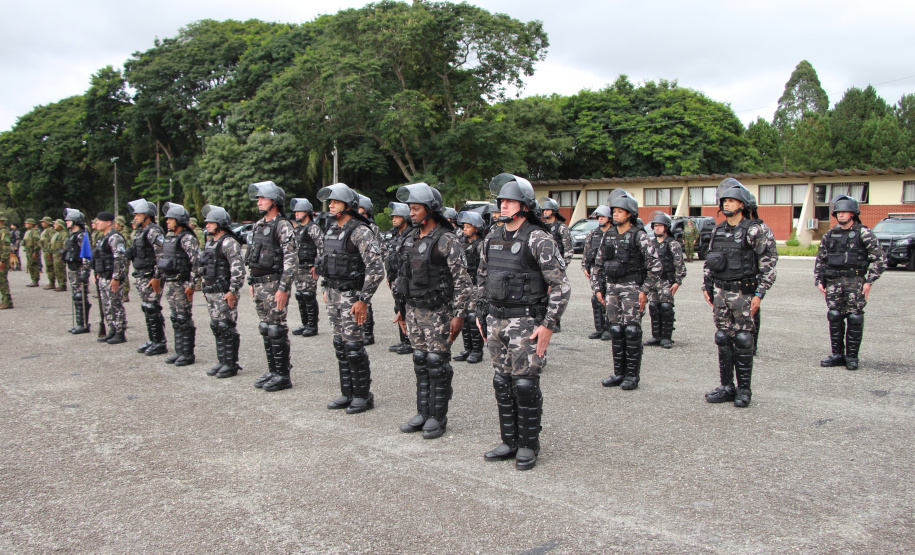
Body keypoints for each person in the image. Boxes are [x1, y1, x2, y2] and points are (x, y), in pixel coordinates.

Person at [477, 173, 570, 471]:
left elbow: (560, 285)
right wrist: (481, 315)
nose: (503, 206)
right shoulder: (491, 237)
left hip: (526, 323)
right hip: (496, 322)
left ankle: (528, 444)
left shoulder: (538, 238)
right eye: (501, 201)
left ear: (525, 205)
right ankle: (510, 440)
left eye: (509, 201)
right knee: (501, 382)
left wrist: (549, 325)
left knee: (525, 384)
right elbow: (481, 278)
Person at [393, 183, 472, 439]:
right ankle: (422, 412)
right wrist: (401, 310)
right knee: (420, 361)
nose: (411, 213)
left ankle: (437, 417)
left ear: (431, 210)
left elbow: (462, 281)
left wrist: (459, 314)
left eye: (415, 208)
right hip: (413, 310)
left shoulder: (446, 239)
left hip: (438, 312)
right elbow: (402, 276)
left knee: (436, 363)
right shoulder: (409, 238)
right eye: (409, 209)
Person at [702, 178, 777, 408]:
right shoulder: (718, 230)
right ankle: (727, 387)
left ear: (742, 204)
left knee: (744, 340)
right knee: (723, 338)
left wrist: (760, 294)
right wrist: (706, 285)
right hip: (722, 293)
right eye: (724, 200)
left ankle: (744, 390)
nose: (726, 204)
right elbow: (711, 259)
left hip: (744, 293)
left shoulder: (756, 230)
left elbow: (769, 263)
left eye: (731, 200)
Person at [315, 183, 384, 412]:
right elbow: (328, 262)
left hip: (352, 296)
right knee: (340, 344)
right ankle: (347, 392)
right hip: (334, 294)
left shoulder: (360, 231)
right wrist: (326, 288)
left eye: (335, 201)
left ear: (348, 204)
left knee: (354, 346)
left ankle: (363, 396)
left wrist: (363, 300)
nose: (330, 204)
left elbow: (376, 269)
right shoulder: (332, 229)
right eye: (330, 201)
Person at [591, 191, 662, 391]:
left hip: (632, 288)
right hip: (612, 288)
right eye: (614, 211)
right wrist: (598, 289)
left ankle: (632, 375)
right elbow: (598, 264)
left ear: (630, 214)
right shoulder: (608, 235)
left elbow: (655, 266)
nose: (615, 215)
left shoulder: (639, 236)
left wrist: (645, 290)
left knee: (631, 330)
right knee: (615, 329)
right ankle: (618, 373)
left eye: (620, 212)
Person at [814, 195, 886, 371]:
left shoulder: (863, 233)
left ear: (853, 213)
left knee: (854, 317)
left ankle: (852, 357)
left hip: (855, 281)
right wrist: (819, 280)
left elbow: (880, 260)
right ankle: (837, 354)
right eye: (838, 212)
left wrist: (869, 281)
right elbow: (821, 259)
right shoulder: (830, 235)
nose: (841, 215)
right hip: (833, 282)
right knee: (834, 316)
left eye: (845, 212)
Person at [246, 181, 298, 392]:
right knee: (266, 328)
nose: (259, 201)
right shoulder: (259, 225)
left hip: (274, 284)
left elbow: (291, 259)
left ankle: (283, 375)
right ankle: (273, 370)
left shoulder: (282, 225)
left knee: (277, 328)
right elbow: (253, 256)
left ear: (274, 201)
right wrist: (251, 280)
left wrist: (283, 288)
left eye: (263, 198)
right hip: (259, 285)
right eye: (258, 198)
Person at [200, 205, 246, 378]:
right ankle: (222, 361)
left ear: (220, 223)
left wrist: (233, 291)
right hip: (212, 292)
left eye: (211, 222)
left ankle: (231, 364)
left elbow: (238, 269)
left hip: (224, 292)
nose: (207, 225)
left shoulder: (229, 242)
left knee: (226, 327)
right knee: (216, 326)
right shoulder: (211, 242)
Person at [158, 203, 200, 366]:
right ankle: (179, 351)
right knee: (175, 318)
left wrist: (192, 284)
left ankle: (187, 353)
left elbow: (196, 262)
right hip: (170, 283)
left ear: (179, 221)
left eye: (171, 219)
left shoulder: (187, 238)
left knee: (184, 318)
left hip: (182, 283)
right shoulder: (169, 238)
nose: (167, 222)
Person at [127, 199, 168, 357]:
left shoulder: (153, 231)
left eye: (138, 214)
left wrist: (157, 277)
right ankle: (152, 340)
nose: (135, 217)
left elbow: (162, 255)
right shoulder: (139, 232)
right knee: (147, 307)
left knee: (152, 307)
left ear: (147, 216)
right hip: (141, 274)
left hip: (151, 275)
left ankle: (159, 342)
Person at [643, 211, 686, 348]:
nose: (657, 228)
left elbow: (679, 265)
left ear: (666, 227)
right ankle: (656, 336)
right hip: (652, 282)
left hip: (666, 281)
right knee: (654, 307)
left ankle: (666, 337)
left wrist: (677, 282)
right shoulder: (650, 244)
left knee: (666, 307)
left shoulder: (672, 244)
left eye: (660, 226)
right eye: (655, 226)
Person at [453, 210, 485, 364]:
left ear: (476, 228)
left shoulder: (480, 245)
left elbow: (486, 268)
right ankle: (468, 348)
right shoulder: (463, 244)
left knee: (474, 319)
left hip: (477, 286)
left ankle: (477, 351)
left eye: (468, 226)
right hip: (465, 286)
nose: (464, 229)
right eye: (464, 226)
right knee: (464, 318)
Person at [289, 198, 324, 338]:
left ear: (307, 212)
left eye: (299, 211)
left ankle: (312, 325)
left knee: (309, 296)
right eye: (295, 212)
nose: (296, 214)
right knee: (300, 295)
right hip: (299, 268)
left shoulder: (313, 228)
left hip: (309, 268)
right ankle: (305, 323)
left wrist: (317, 265)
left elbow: (321, 248)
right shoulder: (298, 229)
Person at [92, 212, 128, 344]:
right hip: (103, 276)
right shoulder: (102, 238)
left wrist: (117, 277)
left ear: (108, 222)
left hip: (112, 277)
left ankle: (120, 332)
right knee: (106, 305)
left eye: (99, 221)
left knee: (115, 304)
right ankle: (112, 329)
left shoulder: (115, 238)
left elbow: (120, 257)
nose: (97, 223)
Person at [383, 202, 414, 355]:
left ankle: (410, 341)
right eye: (393, 216)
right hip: (395, 277)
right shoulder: (395, 235)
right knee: (398, 307)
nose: (394, 219)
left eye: (397, 216)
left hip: (405, 279)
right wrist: (389, 276)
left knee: (406, 308)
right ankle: (404, 339)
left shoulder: (411, 235)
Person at [582, 206, 613, 340]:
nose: (600, 219)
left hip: (610, 271)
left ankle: (609, 329)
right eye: (599, 217)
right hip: (596, 270)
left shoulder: (614, 233)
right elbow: (587, 250)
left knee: (610, 300)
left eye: (603, 217)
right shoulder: (594, 233)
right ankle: (599, 329)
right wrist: (585, 266)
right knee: (596, 299)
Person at [62, 209, 92, 333]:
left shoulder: (81, 235)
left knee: (81, 296)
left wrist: (85, 272)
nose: (67, 222)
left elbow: (86, 255)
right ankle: (79, 322)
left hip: (79, 269)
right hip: (72, 269)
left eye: (69, 220)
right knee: (76, 296)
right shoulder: (72, 235)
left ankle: (83, 324)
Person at [356, 194, 378, 345]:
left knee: (366, 302)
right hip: (356, 268)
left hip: (367, 269)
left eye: (361, 211)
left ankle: (368, 333)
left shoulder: (371, 228)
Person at [114, 216, 131, 301]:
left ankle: (125, 293)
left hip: (125, 256)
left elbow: (126, 246)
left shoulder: (124, 233)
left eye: (116, 223)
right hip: (120, 256)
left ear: (120, 224)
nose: (115, 225)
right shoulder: (117, 232)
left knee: (124, 273)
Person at [22, 218, 42, 287]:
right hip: (28, 250)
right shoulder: (28, 231)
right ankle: (33, 279)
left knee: (33, 265)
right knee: (30, 265)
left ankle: (35, 280)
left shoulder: (34, 231)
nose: (25, 224)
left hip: (32, 250)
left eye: (27, 223)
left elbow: (37, 242)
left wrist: (35, 252)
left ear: (31, 224)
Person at [50, 219, 68, 292]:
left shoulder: (64, 233)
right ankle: (59, 284)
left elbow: (65, 244)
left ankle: (62, 285)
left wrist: (62, 255)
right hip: (55, 253)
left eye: (55, 224)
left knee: (60, 269)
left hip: (59, 254)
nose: (54, 225)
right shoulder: (56, 233)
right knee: (56, 269)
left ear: (60, 225)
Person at [39, 216, 57, 290]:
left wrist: (50, 252)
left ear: (47, 223)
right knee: (48, 267)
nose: (42, 223)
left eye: (43, 222)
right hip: (45, 251)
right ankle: (51, 282)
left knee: (50, 267)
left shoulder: (50, 230)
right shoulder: (45, 230)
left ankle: (52, 283)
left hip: (48, 251)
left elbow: (51, 241)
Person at [0, 212, 12, 309]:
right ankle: (4, 300)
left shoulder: (3, 231)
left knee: (2, 280)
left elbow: (5, 247)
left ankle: (7, 301)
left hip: (2, 259)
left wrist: (3, 260)